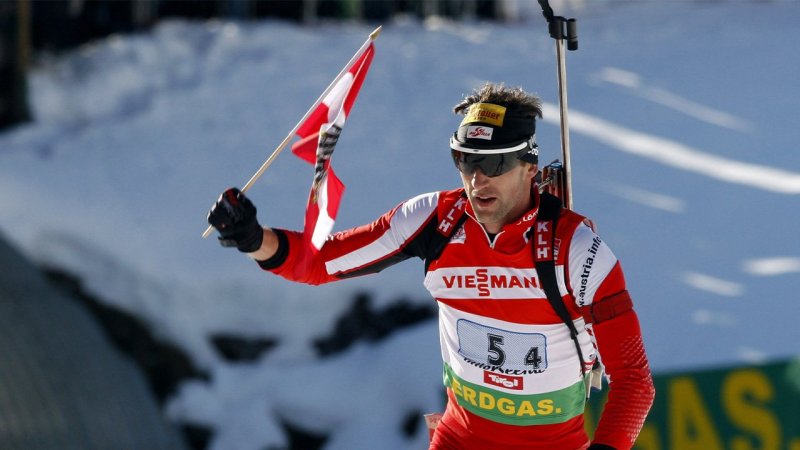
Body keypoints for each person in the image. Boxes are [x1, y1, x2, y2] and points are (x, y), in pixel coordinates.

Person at [207, 82, 655, 450]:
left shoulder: (575, 249)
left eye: (494, 164)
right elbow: (319, 262)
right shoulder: (434, 220)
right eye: (465, 161)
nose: (477, 180)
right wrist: (250, 237)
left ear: (528, 166)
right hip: (459, 440)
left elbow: (634, 382)